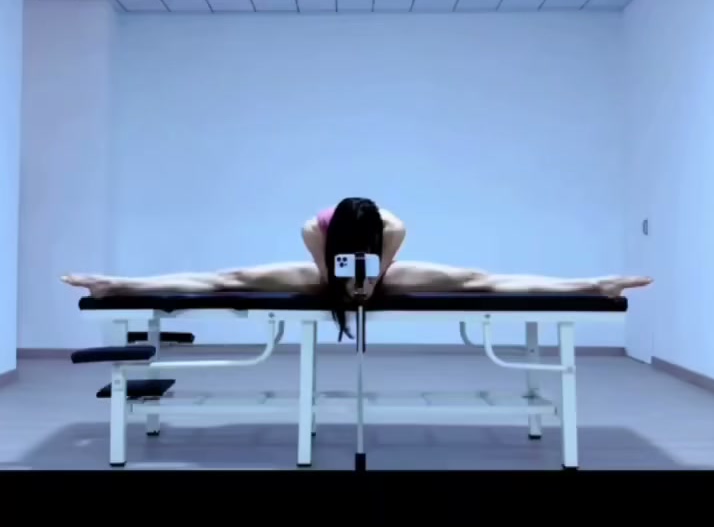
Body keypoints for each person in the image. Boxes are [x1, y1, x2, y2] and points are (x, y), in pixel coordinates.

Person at [61, 196, 652, 341]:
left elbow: (379, 274)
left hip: (382, 269)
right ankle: (114, 284)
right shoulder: (310, 229)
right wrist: (344, 281)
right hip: (326, 271)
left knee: (478, 279)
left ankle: (594, 284)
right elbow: (326, 278)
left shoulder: (394, 229)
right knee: (229, 279)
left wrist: (369, 282)